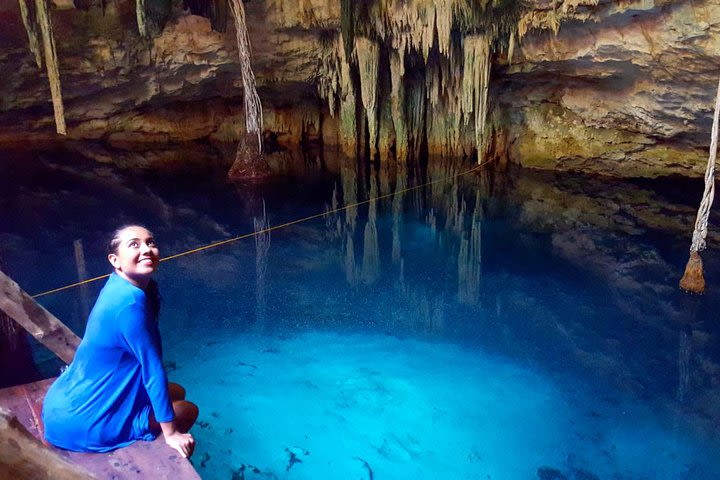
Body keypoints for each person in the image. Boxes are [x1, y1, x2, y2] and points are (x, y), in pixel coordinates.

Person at [42, 225, 198, 458]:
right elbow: (153, 370)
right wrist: (172, 433)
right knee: (187, 410)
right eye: (134, 244)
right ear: (115, 260)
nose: (146, 249)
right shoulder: (130, 305)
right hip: (85, 422)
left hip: (60, 406)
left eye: (150, 242)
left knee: (177, 390)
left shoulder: (118, 285)